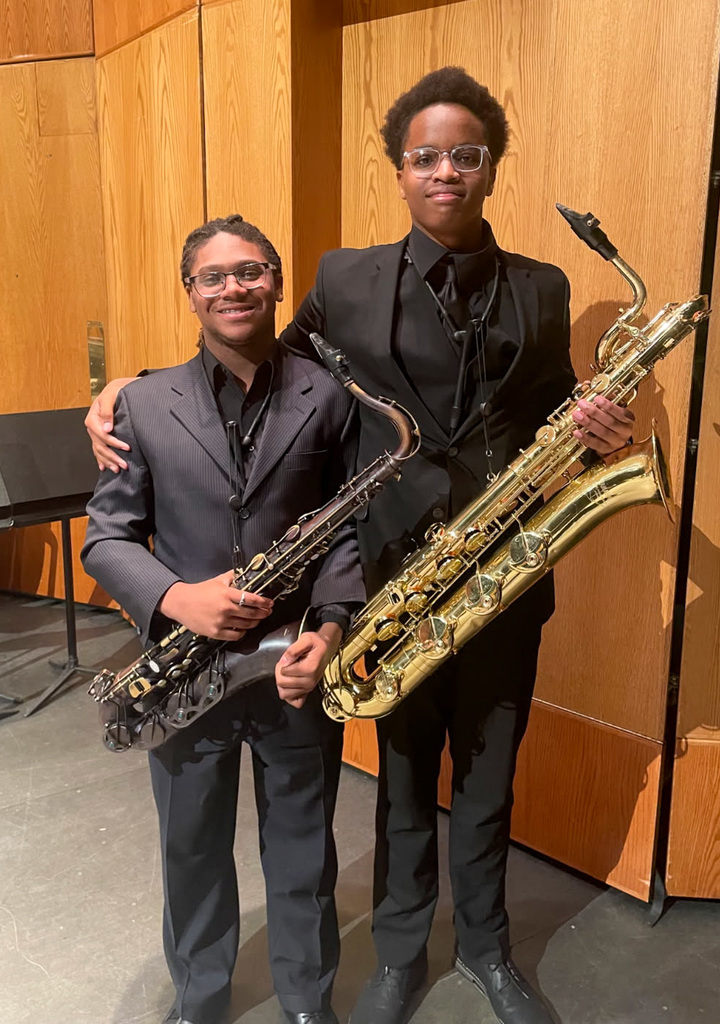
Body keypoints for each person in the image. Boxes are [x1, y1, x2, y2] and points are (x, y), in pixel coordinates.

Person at [87, 70, 634, 1024]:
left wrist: (595, 422)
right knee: (406, 781)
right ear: (400, 170)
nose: (445, 172)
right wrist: (128, 390)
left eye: (465, 155)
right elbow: (262, 357)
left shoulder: (544, 286)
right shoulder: (344, 278)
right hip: (391, 582)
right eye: (425, 157)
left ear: (490, 166)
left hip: (502, 577)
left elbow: (547, 402)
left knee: (491, 779)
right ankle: (395, 957)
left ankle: (490, 953)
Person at [82, 215, 365, 1024]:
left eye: (251, 272)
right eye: (213, 276)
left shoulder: (328, 394)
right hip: (181, 665)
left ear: (277, 280)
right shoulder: (138, 402)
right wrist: (179, 599)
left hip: (290, 659)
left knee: (304, 844)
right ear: (190, 293)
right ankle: (201, 999)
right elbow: (106, 539)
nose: (233, 288)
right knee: (192, 848)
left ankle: (308, 1000)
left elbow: (343, 528)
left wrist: (332, 630)